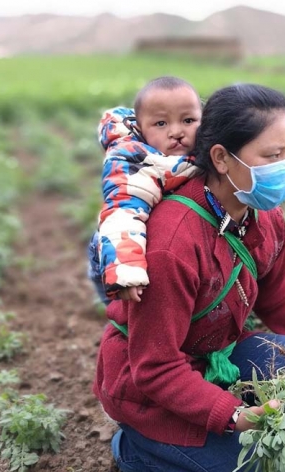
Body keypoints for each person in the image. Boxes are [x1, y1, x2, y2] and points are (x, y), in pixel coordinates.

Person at [93, 83, 285, 472]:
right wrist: (235, 415)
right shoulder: (173, 242)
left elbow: (278, 300)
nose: (284, 166)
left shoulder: (264, 215)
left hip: (209, 352)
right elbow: (155, 367)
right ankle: (137, 450)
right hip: (147, 384)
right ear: (222, 159)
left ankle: (202, 418)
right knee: (257, 470)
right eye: (272, 156)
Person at [87, 76, 202, 305]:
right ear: (140, 129)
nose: (176, 132)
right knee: (129, 309)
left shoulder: (204, 151)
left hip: (160, 243)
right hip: (116, 252)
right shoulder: (134, 161)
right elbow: (122, 215)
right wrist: (126, 269)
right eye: (161, 124)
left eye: (188, 120)